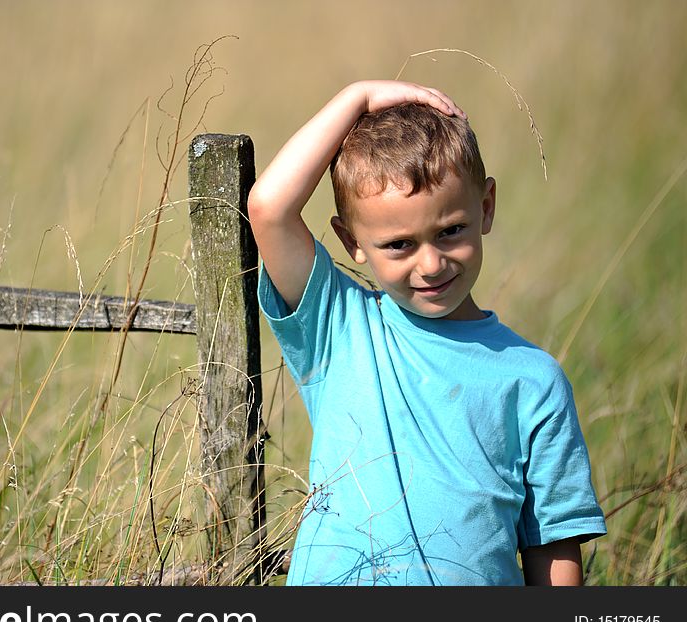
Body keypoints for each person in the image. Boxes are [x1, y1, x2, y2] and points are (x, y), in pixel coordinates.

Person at [247, 80, 607, 585]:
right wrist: (358, 97)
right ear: (352, 242)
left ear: (485, 208)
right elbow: (269, 206)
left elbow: (554, 551)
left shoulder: (534, 381)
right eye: (398, 245)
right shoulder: (339, 326)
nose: (432, 263)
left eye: (450, 231)